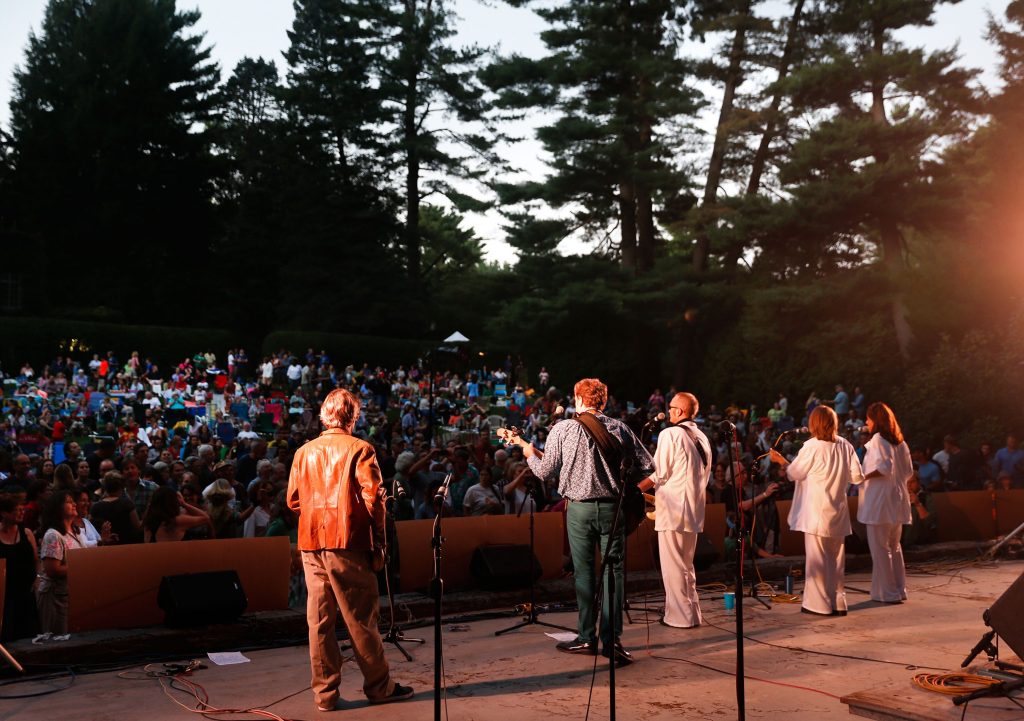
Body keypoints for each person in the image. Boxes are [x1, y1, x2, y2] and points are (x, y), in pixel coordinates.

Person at [286, 388, 413, 710]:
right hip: (349, 542)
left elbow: (293, 500)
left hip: (311, 541)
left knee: (319, 621)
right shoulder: (360, 448)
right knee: (360, 620)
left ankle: (325, 695)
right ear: (353, 417)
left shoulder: (304, 452)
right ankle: (379, 687)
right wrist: (380, 544)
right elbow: (374, 500)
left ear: (324, 416)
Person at [513, 378, 654, 666]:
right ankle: (612, 641)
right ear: (603, 401)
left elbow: (545, 472)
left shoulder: (563, 428)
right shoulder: (620, 428)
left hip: (578, 511)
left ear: (578, 398)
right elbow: (648, 466)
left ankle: (586, 637)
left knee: (584, 573)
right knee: (613, 574)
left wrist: (529, 454)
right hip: (613, 509)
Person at [770, 406, 863, 616]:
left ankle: (818, 604)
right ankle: (838, 602)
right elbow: (857, 477)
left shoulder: (811, 446)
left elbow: (794, 473)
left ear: (814, 423)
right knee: (836, 560)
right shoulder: (845, 445)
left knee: (817, 560)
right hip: (838, 510)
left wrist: (781, 461)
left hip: (816, 511)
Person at [639, 392, 710, 629]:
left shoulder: (669, 434)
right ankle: (692, 613)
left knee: (673, 568)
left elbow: (659, 473)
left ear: (680, 411)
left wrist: (635, 489)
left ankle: (679, 617)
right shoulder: (701, 437)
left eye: (671, 407)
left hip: (673, 510)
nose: (668, 411)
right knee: (686, 566)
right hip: (693, 509)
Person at [859, 402, 913, 603]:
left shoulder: (879, 439)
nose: (866, 422)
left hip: (880, 502)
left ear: (876, 420)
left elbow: (883, 468)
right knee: (894, 546)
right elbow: (908, 472)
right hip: (897, 500)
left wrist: (861, 476)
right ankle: (898, 589)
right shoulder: (901, 442)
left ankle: (889, 593)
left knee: (881, 549)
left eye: (868, 418)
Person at [36, 489, 84, 640]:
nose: (74, 504)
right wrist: (83, 568)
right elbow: (53, 570)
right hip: (55, 598)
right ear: (58, 507)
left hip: (68, 595)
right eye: (69, 502)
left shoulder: (73, 531)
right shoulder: (53, 535)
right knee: (57, 639)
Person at [0, 496, 39, 640]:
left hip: (26, 592)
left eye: (22, 509)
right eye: (17, 510)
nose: (21, 513)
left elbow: (35, 560)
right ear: (4, 513)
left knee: (28, 632)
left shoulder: (27, 533)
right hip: (5, 594)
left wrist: (36, 580)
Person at [142, 487, 214, 542]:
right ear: (173, 502)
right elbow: (206, 518)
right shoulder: (177, 521)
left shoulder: (148, 524)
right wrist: (184, 504)